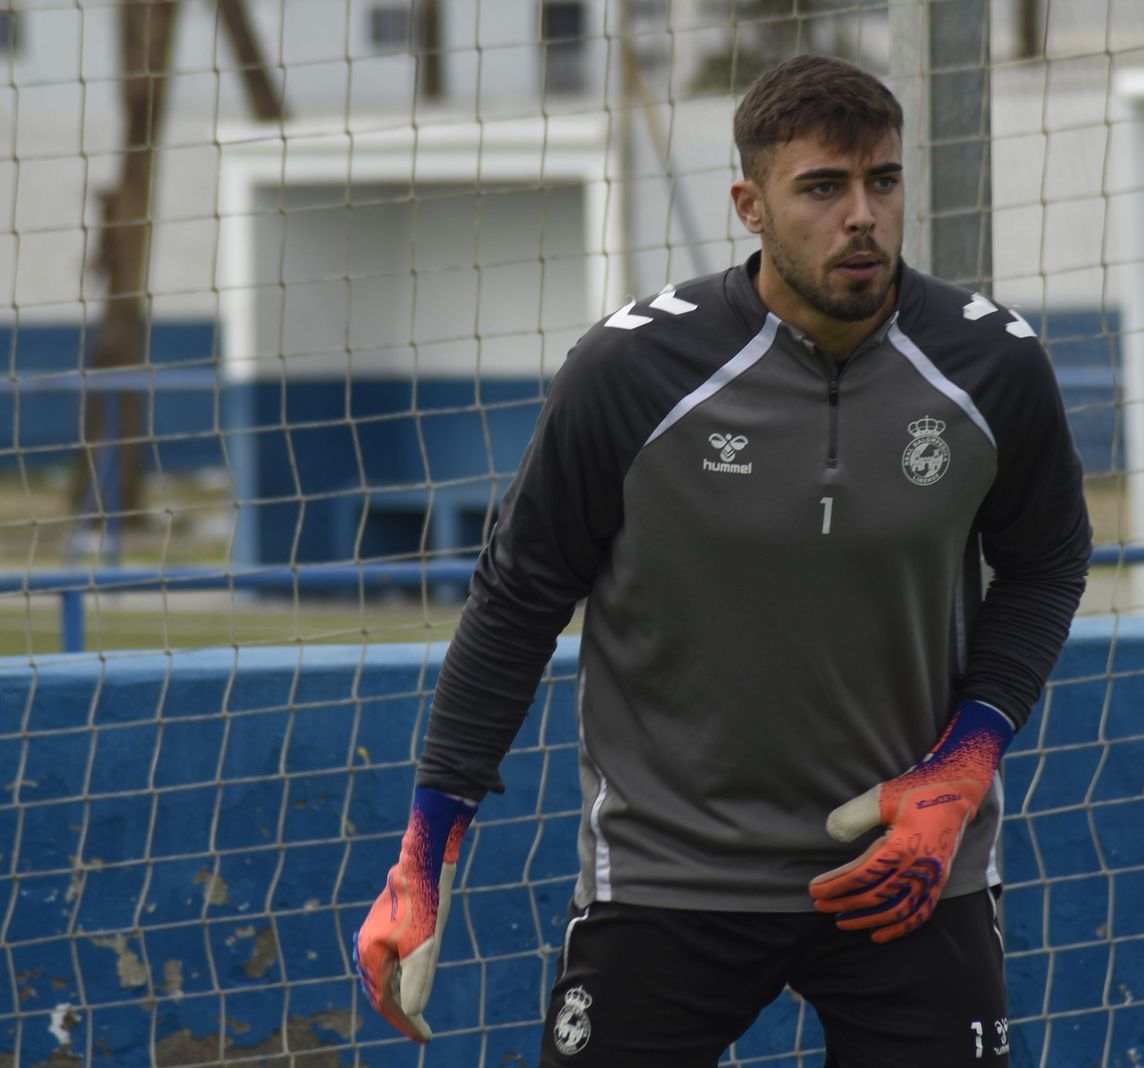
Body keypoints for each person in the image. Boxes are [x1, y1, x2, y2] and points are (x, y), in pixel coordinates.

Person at [352, 54, 1093, 1066]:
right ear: (750, 205)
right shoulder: (630, 370)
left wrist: (963, 766)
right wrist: (422, 861)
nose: (862, 217)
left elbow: (1047, 563)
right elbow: (515, 602)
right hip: (668, 876)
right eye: (822, 188)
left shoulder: (992, 363)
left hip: (910, 868)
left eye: (881, 180)